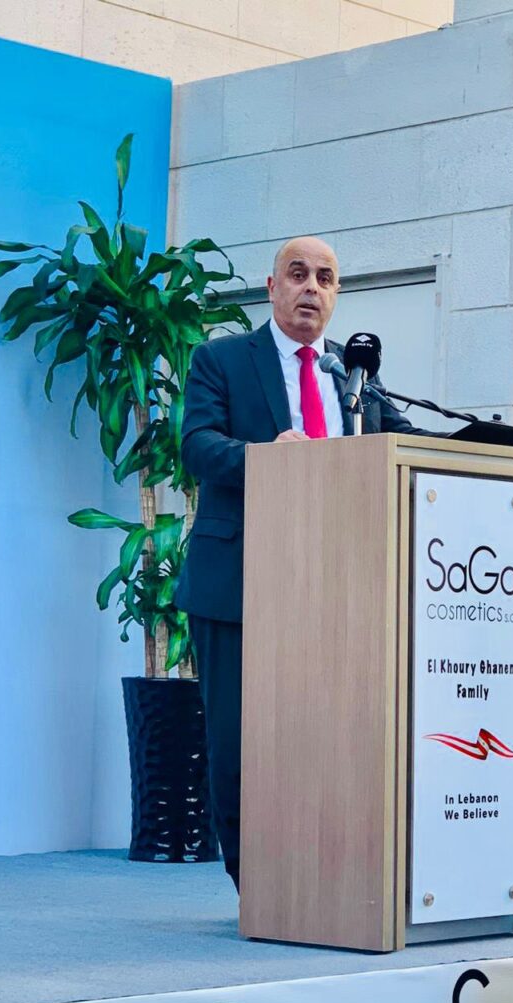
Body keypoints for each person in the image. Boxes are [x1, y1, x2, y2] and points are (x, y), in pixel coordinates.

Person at [174, 236, 432, 889]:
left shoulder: (350, 373)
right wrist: (268, 458)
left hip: (334, 584)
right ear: (272, 287)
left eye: (325, 278)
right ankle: (256, 885)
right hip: (239, 580)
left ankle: (319, 883)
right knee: (240, 739)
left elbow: (404, 440)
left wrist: (482, 446)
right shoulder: (223, 359)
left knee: (324, 737)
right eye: (298, 274)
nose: (311, 287)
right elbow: (198, 445)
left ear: (336, 294)